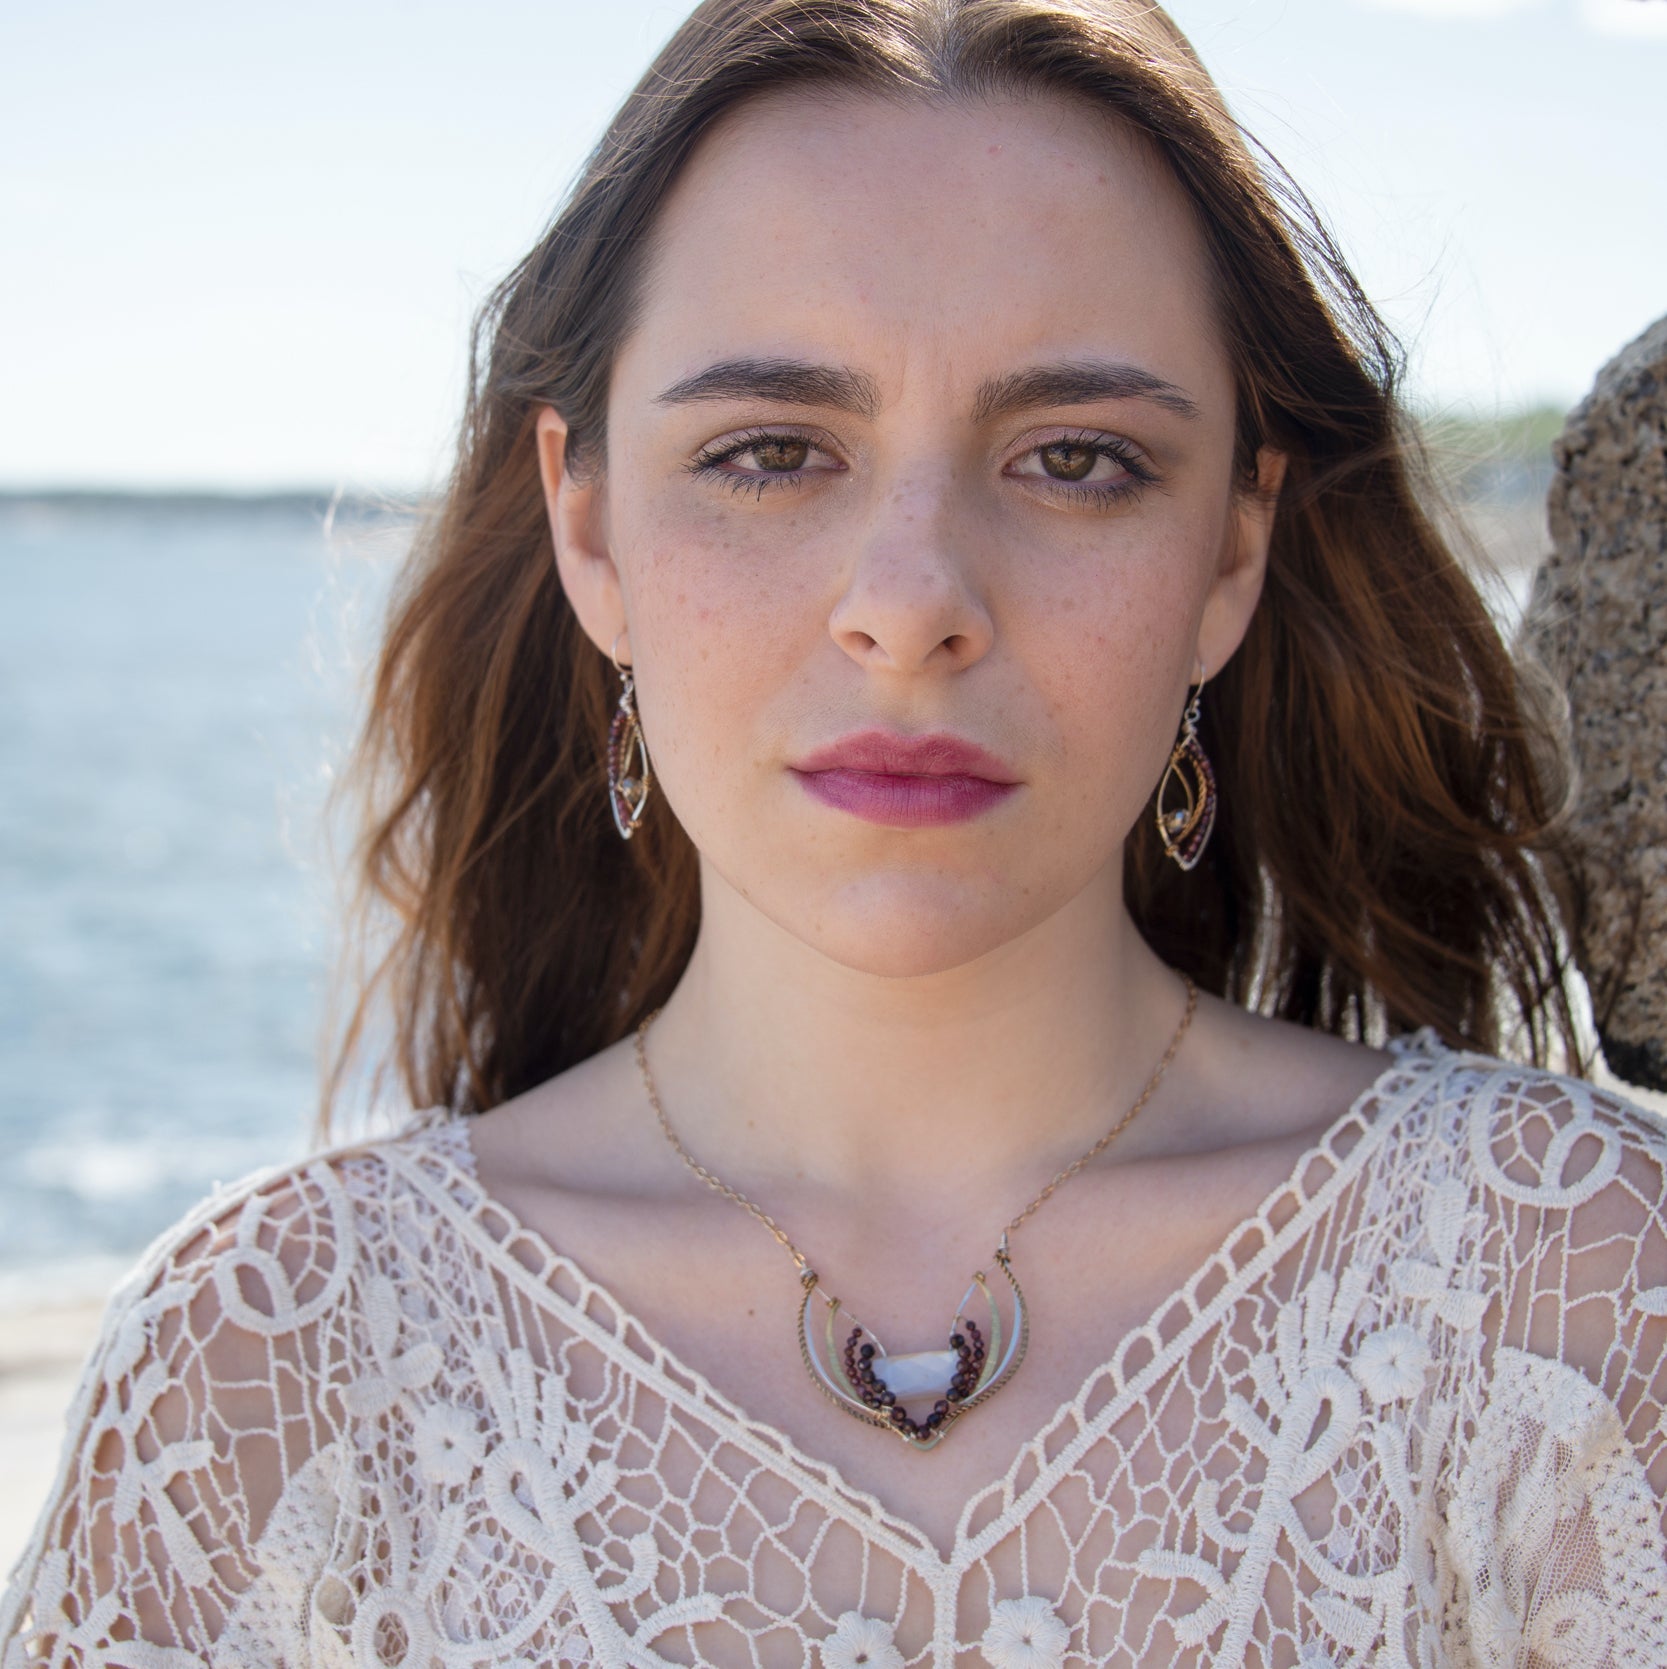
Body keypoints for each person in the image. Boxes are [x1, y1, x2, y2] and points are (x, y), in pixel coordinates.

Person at [6, 0, 1666, 1662]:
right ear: (591, 527)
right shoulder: (267, 1374)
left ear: (1233, 550)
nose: (912, 603)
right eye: (773, 452)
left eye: (1077, 458)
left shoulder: (1572, 1294)